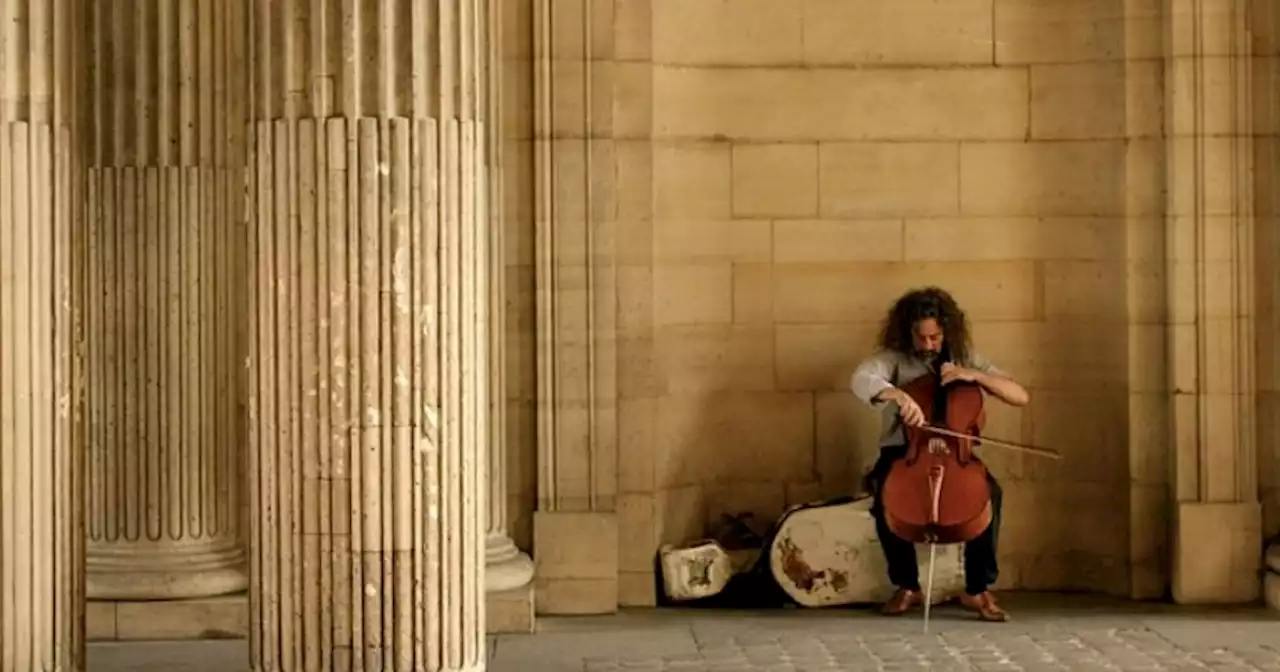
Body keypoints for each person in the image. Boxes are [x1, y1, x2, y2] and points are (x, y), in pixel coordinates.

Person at [850, 286, 1030, 622]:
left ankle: (977, 589)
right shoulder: (893, 358)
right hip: (906, 450)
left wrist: (974, 375)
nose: (929, 345)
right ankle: (907, 585)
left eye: (935, 337)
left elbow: (1019, 395)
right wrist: (897, 396)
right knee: (884, 500)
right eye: (922, 338)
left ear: (946, 330)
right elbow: (861, 378)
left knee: (990, 496)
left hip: (955, 452)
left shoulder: (963, 356)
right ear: (908, 333)